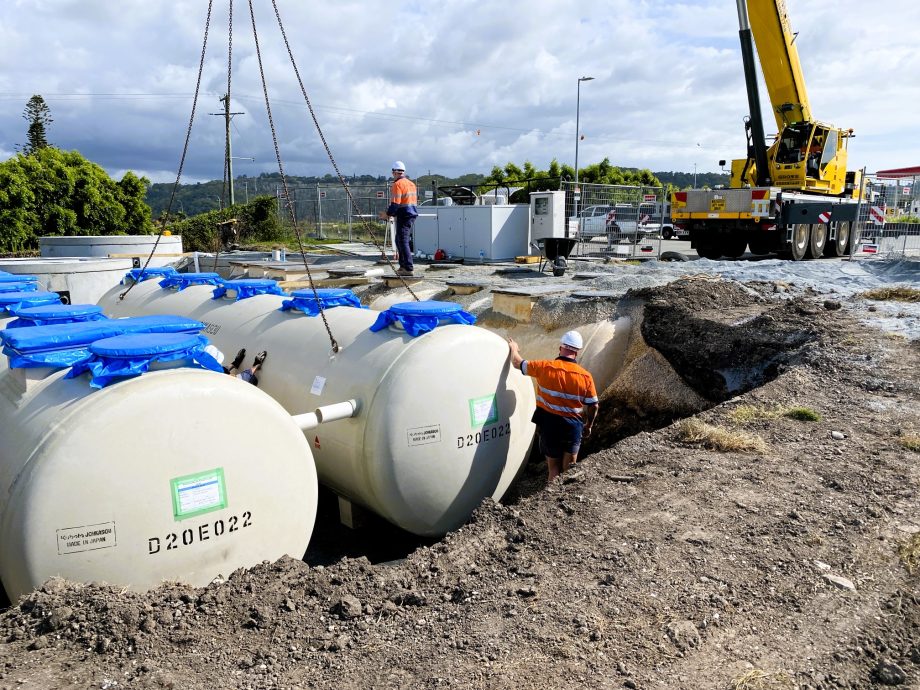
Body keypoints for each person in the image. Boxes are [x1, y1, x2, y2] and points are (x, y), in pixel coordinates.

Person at [508, 331, 599, 483]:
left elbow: (517, 363)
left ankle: (551, 501)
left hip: (549, 425)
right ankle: (567, 498)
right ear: (577, 352)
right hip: (572, 427)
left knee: (554, 470)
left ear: (560, 348)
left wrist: (514, 348)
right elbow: (594, 405)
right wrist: (589, 424)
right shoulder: (585, 376)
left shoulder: (544, 367)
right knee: (569, 470)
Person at [377, 160, 418, 276]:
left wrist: (387, 214)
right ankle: (403, 266)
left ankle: (408, 268)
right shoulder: (411, 184)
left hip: (404, 215)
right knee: (398, 240)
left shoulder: (397, 184)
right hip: (411, 213)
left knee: (402, 240)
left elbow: (396, 203)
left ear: (394, 172)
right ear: (403, 172)